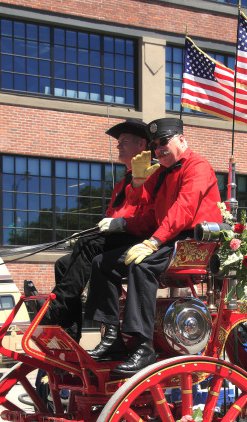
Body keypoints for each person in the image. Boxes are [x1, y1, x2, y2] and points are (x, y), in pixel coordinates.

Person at [87, 117, 222, 375]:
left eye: (163, 142)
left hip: (193, 242)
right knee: (101, 264)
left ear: (182, 139)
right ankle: (112, 339)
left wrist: (153, 241)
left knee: (142, 265)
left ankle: (143, 346)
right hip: (167, 239)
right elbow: (144, 206)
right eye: (155, 145)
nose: (159, 149)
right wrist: (136, 185)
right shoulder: (160, 172)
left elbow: (184, 209)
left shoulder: (198, 166)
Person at [45, 118, 156, 339]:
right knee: (63, 263)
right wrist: (93, 231)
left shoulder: (153, 173)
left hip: (141, 238)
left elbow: (149, 214)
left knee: (87, 246)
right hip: (118, 236)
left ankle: (57, 308)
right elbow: (113, 217)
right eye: (118, 142)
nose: (118, 146)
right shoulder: (121, 183)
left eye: (124, 141)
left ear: (142, 144)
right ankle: (69, 331)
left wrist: (119, 224)